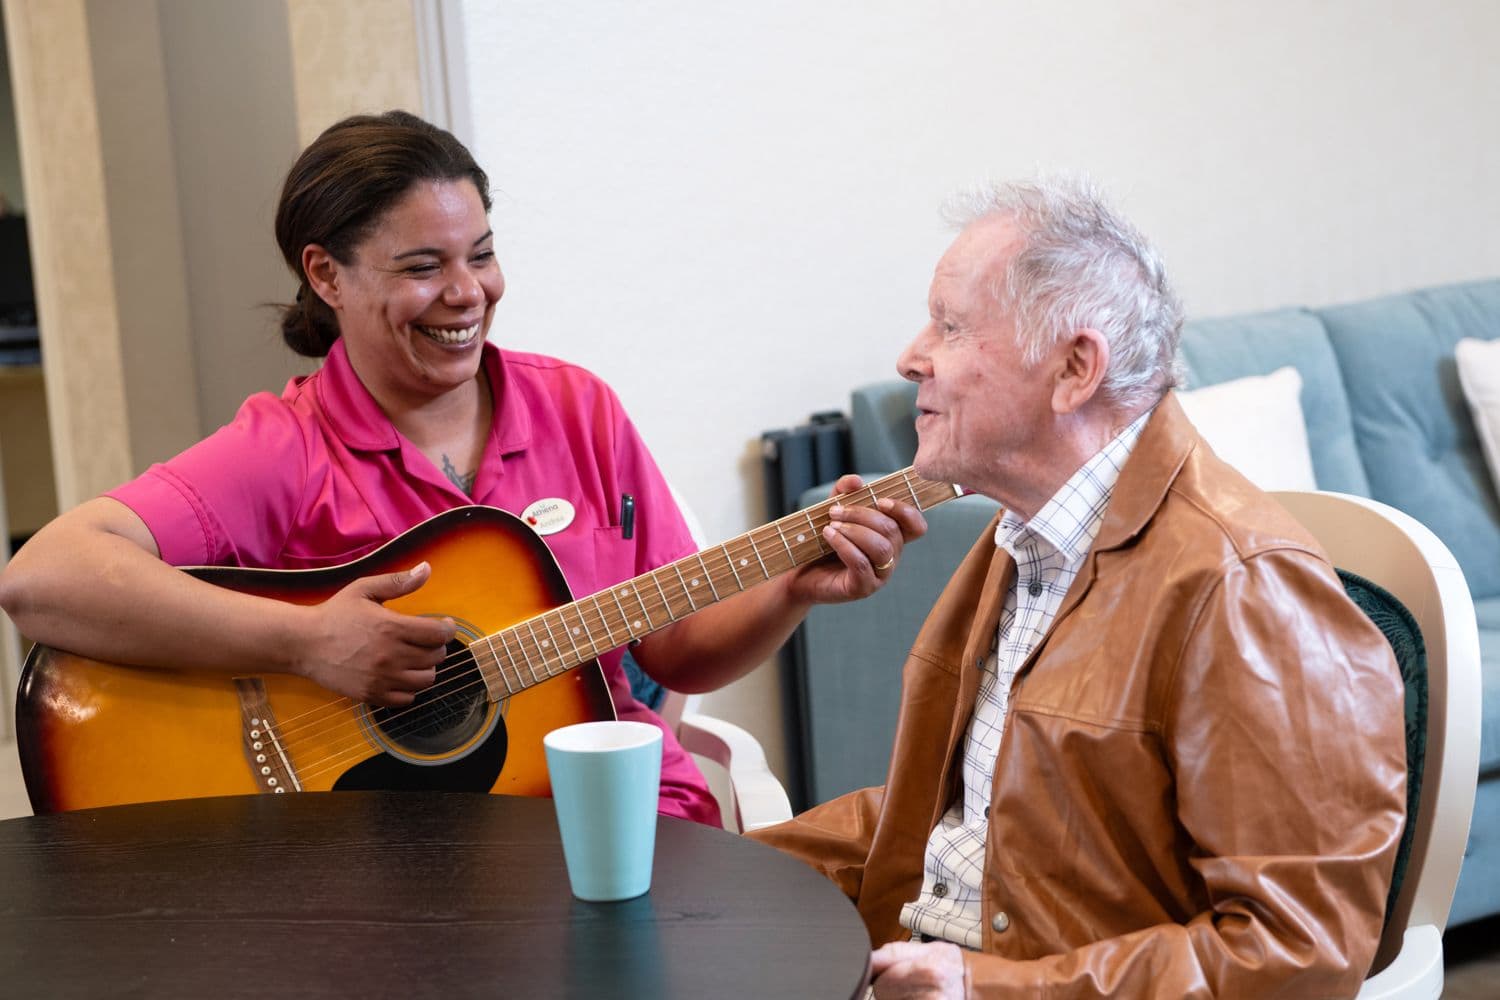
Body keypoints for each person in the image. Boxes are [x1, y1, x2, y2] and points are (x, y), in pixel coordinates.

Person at [0, 110, 925, 826]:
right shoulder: (286, 446)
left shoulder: (577, 408)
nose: (466, 293)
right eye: (421, 266)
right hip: (406, 870)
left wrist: (791, 589)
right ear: (327, 276)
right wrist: (307, 642)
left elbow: (673, 646)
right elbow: (44, 580)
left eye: (481, 255)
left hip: (617, 824)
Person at [748, 178, 1407, 996]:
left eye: (951, 326)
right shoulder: (1023, 535)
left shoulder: (1242, 585)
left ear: (1074, 369)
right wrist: (722, 872)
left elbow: (1298, 950)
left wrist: (981, 988)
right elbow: (967, 818)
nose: (911, 356)